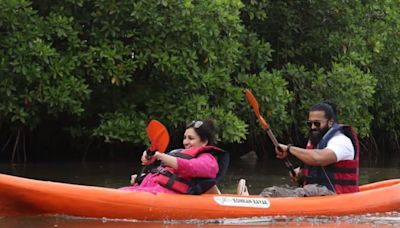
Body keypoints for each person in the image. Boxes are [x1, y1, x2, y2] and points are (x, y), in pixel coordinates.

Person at [238, 101, 360, 197]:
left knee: (281, 192)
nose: (312, 127)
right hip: (317, 191)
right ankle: (253, 201)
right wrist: (301, 175)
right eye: (310, 123)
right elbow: (315, 168)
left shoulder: (341, 140)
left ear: (330, 122)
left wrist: (289, 149)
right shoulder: (315, 140)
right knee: (275, 191)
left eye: (317, 123)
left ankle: (252, 204)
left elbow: (318, 158)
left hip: (335, 195)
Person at [120, 119, 229, 195]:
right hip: (151, 190)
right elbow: (165, 173)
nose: (186, 142)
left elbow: (191, 167)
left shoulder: (208, 160)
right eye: (185, 137)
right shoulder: (178, 153)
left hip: (165, 195)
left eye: (191, 138)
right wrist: (142, 178)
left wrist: (161, 156)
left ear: (204, 142)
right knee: (122, 190)